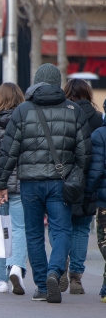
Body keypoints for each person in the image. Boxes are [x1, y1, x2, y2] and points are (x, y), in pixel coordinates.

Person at [0, 63, 91, 304]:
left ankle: (41, 286)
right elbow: (84, 152)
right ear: (58, 83)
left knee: (34, 233)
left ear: (36, 81)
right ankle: (54, 272)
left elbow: (9, 152)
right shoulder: (73, 110)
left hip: (29, 183)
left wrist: (1, 183)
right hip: (61, 182)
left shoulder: (23, 110)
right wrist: (76, 174)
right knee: (61, 230)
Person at [0, 83, 28, 295]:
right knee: (19, 228)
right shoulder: (25, 123)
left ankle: (1, 280)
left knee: (0, 231)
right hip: (20, 185)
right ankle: (16, 268)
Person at [61, 78, 101, 293]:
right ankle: (76, 277)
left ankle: (60, 267)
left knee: (62, 226)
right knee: (82, 230)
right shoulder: (98, 119)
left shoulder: (63, 116)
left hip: (64, 180)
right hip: (89, 183)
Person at [84, 99, 106, 302]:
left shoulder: (99, 134)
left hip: (104, 201)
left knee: (104, 241)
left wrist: (88, 192)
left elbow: (97, 168)